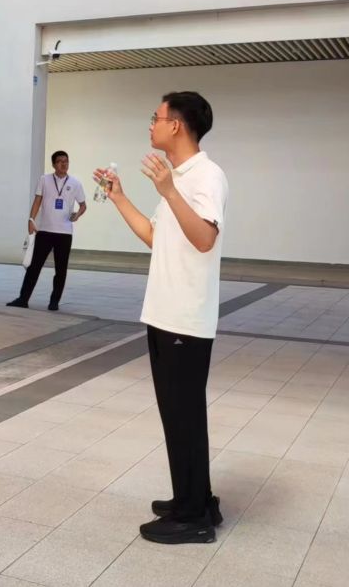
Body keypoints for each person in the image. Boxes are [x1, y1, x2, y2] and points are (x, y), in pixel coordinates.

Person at [95, 91, 238, 546]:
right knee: (176, 415)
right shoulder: (177, 177)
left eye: (155, 117)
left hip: (185, 318)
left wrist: (170, 192)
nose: (151, 124)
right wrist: (119, 197)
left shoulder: (206, 176)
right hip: (164, 312)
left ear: (176, 125)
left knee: (184, 415)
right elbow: (156, 237)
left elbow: (204, 239)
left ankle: (194, 518)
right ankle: (195, 500)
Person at [10, 150, 88, 311]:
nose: (63, 164)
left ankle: (54, 302)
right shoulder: (44, 180)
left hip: (64, 233)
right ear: (53, 164)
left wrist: (77, 215)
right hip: (45, 231)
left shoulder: (75, 183)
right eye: (60, 161)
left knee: (61, 269)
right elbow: (37, 201)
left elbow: (83, 205)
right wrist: (31, 220)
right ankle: (23, 299)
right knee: (34, 267)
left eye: (66, 161)